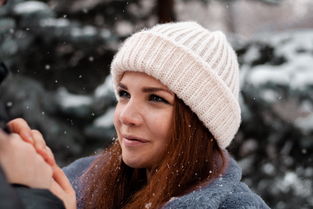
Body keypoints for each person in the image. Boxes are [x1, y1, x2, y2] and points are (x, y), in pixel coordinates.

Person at [9, 22, 271, 209]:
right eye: (124, 94)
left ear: (201, 122)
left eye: (155, 98)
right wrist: (27, 186)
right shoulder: (80, 180)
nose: (127, 116)